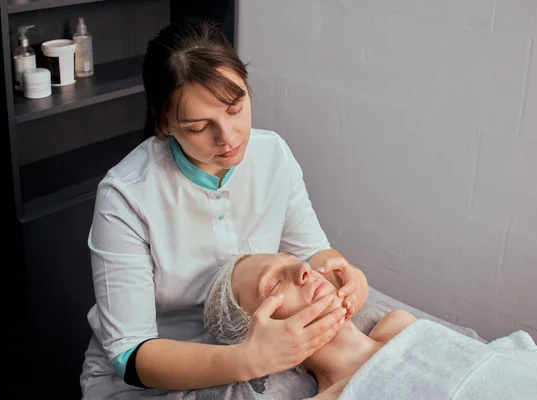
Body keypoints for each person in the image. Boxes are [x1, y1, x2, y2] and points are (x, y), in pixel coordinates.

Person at [79, 18, 369, 399]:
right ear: (164, 122)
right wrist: (250, 360)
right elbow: (130, 354)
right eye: (200, 127)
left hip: (258, 355)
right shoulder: (127, 197)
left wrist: (349, 275)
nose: (228, 137)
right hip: (155, 375)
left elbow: (313, 253)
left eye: (235, 108)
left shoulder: (273, 155)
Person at [203, 252, 418, 400]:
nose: (304, 267)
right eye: (274, 284)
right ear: (259, 332)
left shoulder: (400, 324)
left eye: (293, 259)